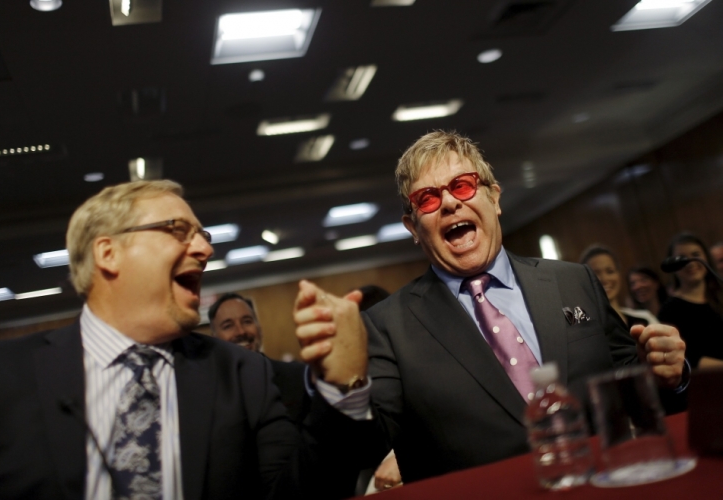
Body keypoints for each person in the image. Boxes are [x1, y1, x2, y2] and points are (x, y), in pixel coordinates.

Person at [294, 130, 688, 484]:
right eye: (427, 199)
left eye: (463, 186)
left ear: (494, 197)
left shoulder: (574, 281)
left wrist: (664, 373)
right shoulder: (385, 327)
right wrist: (343, 386)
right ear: (413, 228)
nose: (449, 202)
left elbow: (631, 384)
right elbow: (355, 453)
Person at [0, 180, 364, 499]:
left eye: (204, 235)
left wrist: (341, 390)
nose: (205, 249)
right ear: (108, 252)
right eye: (177, 230)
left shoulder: (244, 376)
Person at [208, 293, 309, 423]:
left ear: (259, 328)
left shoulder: (297, 376)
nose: (241, 331)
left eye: (247, 321)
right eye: (228, 326)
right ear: (214, 338)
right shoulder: (207, 393)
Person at [659, 233, 723, 368]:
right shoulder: (670, 310)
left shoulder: (720, 295)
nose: (691, 263)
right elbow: (687, 359)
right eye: (682, 258)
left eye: (696, 255)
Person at [580, 245, 659, 327]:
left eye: (610, 271)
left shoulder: (644, 318)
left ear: (619, 274)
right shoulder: (586, 328)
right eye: (595, 274)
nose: (604, 279)